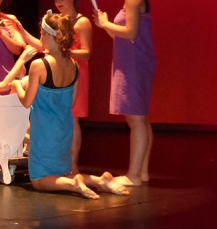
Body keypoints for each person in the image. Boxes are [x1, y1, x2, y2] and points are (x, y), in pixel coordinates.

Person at [11, 12, 129, 199]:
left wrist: (17, 85)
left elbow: (26, 101)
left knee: (39, 179)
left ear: (49, 36)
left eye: (41, 33)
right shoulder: (74, 65)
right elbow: (72, 102)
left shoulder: (40, 65)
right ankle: (99, 180)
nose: (40, 37)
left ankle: (74, 184)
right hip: (64, 130)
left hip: (44, 132)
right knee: (61, 172)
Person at [93, 0, 155, 186]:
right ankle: (142, 172)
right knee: (140, 119)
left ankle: (134, 175)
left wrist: (108, 23)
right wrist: (105, 25)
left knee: (136, 120)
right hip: (133, 61)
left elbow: (131, 32)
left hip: (134, 65)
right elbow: (124, 36)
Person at [17, 0, 93, 174]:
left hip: (73, 72)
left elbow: (87, 52)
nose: (58, 2)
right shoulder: (56, 23)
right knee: (58, 117)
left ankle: (72, 165)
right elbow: (45, 46)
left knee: (71, 117)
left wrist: (63, 52)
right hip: (57, 68)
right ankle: (59, 161)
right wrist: (22, 32)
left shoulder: (81, 22)